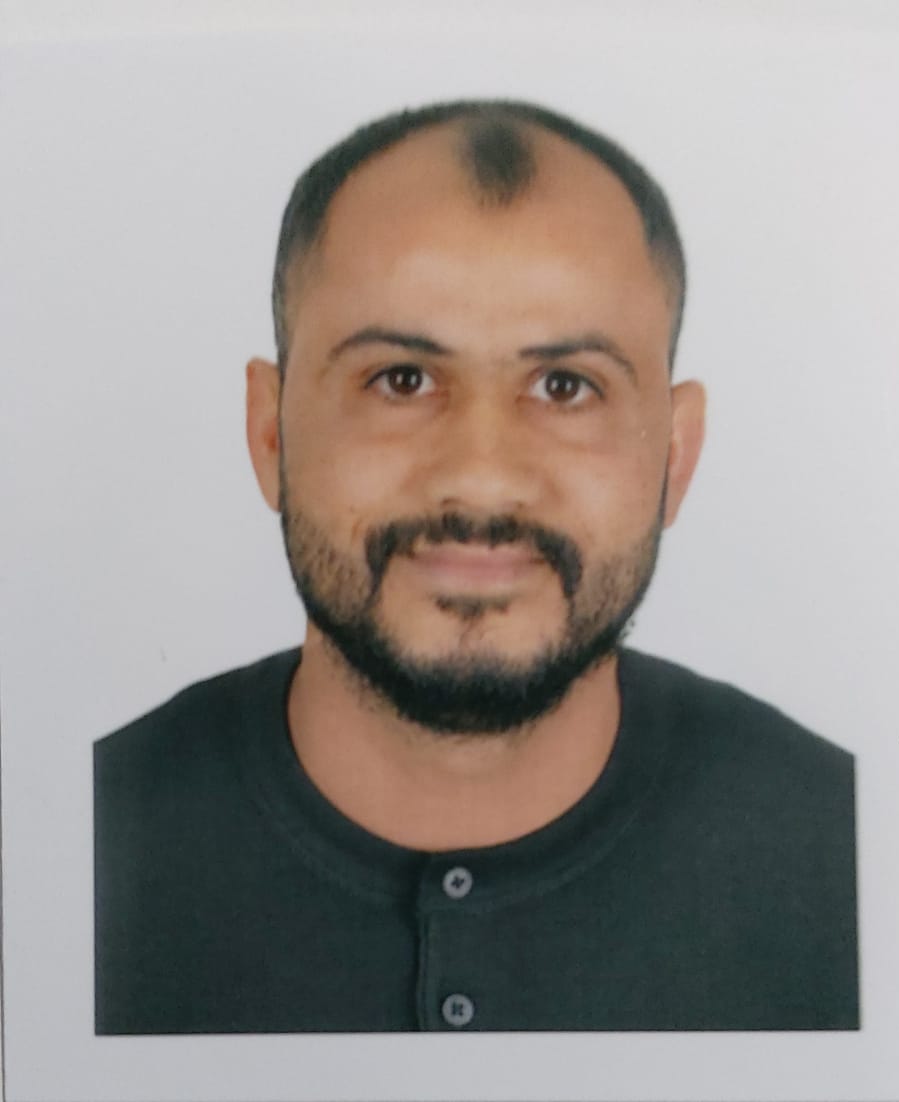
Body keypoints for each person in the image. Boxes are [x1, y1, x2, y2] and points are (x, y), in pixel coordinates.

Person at [94, 98, 859, 1035]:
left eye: (565, 387)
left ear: (675, 454)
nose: (482, 475)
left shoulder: (865, 866)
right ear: (269, 433)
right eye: (401, 380)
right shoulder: (68, 852)